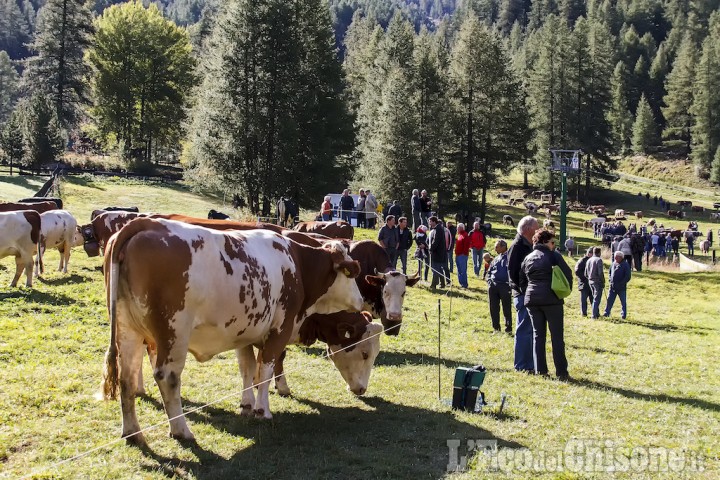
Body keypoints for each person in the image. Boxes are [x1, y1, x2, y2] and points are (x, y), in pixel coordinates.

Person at [518, 229, 573, 380]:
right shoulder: (553, 256)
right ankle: (561, 372)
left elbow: (521, 280)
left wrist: (528, 291)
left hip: (532, 300)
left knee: (538, 335)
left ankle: (540, 370)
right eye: (552, 242)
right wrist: (564, 291)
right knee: (557, 337)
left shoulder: (528, 258)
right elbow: (567, 274)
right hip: (551, 300)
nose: (554, 245)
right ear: (544, 242)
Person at [508, 215, 540, 372]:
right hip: (522, 295)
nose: (539, 230)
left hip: (528, 294)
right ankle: (521, 365)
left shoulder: (528, 245)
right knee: (523, 331)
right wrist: (524, 291)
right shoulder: (517, 246)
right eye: (536, 227)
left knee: (529, 331)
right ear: (528, 229)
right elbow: (513, 273)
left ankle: (530, 364)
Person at [488, 240, 512, 333]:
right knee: (493, 307)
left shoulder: (510, 258)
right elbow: (490, 270)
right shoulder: (496, 259)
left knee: (506, 307)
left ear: (503, 247)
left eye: (497, 247)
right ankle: (496, 328)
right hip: (493, 286)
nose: (495, 249)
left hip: (505, 285)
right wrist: (489, 280)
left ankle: (508, 328)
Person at [604, 251, 631, 319]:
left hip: (621, 287)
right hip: (612, 286)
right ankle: (606, 312)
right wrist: (610, 280)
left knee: (623, 302)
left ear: (621, 257)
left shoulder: (625, 265)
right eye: (615, 256)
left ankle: (623, 314)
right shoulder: (613, 264)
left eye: (617, 257)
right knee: (609, 300)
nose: (615, 258)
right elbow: (610, 273)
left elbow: (627, 276)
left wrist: (621, 283)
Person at [584, 247, 605, 319]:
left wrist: (590, 278)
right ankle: (594, 315)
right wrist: (602, 281)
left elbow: (585, 273)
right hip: (597, 281)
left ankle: (596, 313)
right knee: (597, 298)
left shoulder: (589, 260)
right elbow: (600, 273)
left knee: (594, 297)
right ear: (599, 252)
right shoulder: (599, 260)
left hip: (590, 281)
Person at [428, 216, 448, 289]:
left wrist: (431, 248)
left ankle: (433, 285)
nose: (429, 223)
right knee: (439, 269)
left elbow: (436, 241)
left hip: (437, 253)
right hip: (439, 253)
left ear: (433, 221)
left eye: (430, 221)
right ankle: (442, 283)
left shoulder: (438, 229)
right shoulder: (438, 228)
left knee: (435, 269)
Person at [575, 247, 594, 317]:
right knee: (584, 299)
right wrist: (584, 278)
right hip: (584, 283)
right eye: (592, 253)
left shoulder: (592, 260)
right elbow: (577, 271)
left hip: (591, 282)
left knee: (593, 298)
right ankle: (584, 313)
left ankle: (595, 312)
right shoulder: (582, 261)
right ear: (589, 253)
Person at [454, 223, 470, 288]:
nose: (456, 229)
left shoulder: (465, 235)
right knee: (459, 270)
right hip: (458, 254)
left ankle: (464, 284)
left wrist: (463, 253)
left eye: (457, 228)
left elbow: (466, 246)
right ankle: (461, 283)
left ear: (461, 228)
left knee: (463, 270)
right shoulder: (459, 235)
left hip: (462, 255)